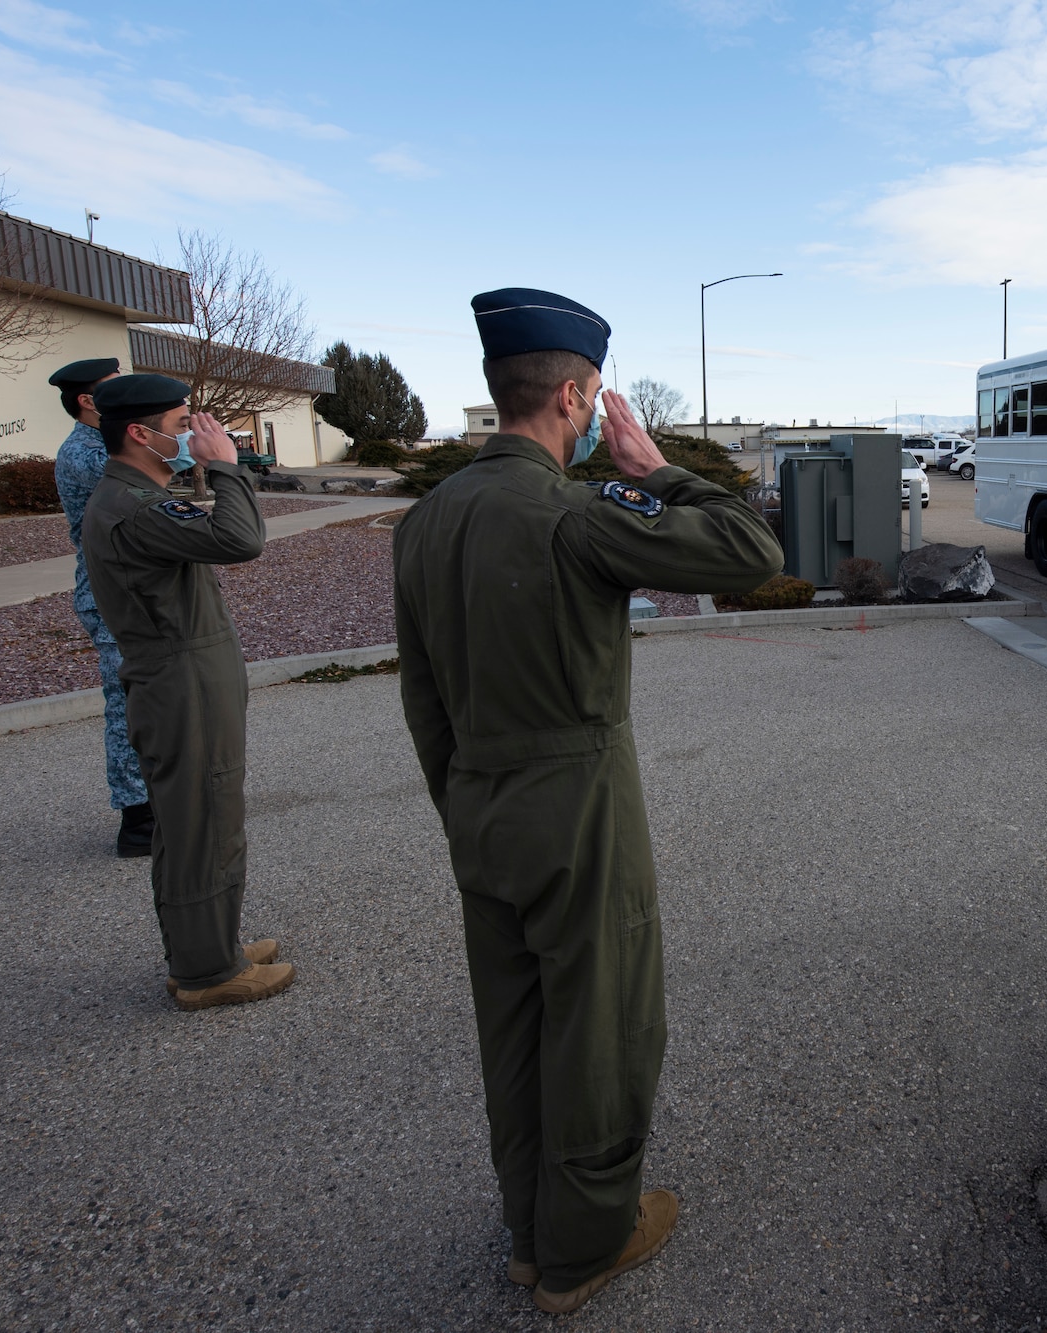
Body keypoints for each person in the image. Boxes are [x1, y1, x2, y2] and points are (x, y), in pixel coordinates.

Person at [393, 288, 783, 1315]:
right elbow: (753, 555)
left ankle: (529, 1231)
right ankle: (585, 1242)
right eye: (593, 394)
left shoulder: (426, 520)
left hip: (476, 798)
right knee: (602, 1023)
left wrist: (464, 803)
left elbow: (422, 693)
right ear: (573, 396)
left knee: (514, 1022)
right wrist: (658, 473)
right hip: (576, 800)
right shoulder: (576, 515)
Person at [81, 373, 294, 1011]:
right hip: (182, 678)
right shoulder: (134, 506)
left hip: (182, 670)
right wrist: (227, 470)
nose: (193, 437)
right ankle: (207, 971)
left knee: (192, 817)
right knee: (205, 818)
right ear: (139, 435)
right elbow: (241, 540)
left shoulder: (132, 497)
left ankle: (207, 946)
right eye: (180, 427)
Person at [49, 358, 155, 857]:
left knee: (149, 702)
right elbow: (143, 493)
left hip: (132, 587)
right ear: (89, 401)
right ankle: (137, 821)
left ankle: (160, 806)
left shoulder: (106, 445)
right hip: (109, 593)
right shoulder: (85, 456)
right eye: (116, 389)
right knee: (127, 706)